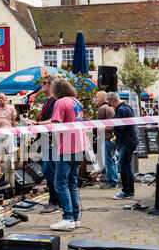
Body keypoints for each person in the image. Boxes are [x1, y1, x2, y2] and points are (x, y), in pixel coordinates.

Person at [49, 78, 86, 230]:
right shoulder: (77, 102)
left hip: (66, 147)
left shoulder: (60, 102)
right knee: (72, 183)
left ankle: (68, 217)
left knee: (60, 183)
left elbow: (56, 124)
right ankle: (75, 217)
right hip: (80, 146)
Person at [27, 75, 60, 213]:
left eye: (45, 83)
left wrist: (38, 123)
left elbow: (53, 120)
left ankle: (55, 202)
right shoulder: (47, 100)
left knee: (50, 171)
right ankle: (55, 201)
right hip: (46, 140)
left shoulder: (55, 101)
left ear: (52, 85)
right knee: (49, 171)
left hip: (54, 141)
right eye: (42, 83)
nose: (42, 85)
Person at [106, 92, 139, 200]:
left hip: (127, 141)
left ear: (113, 101)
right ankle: (130, 191)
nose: (111, 106)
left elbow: (121, 127)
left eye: (110, 104)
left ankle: (126, 192)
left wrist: (108, 128)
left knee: (122, 166)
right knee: (126, 166)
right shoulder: (126, 107)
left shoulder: (121, 110)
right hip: (129, 140)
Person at [0, 93, 17, 175]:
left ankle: (11, 167)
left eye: (1, 98)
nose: (0, 99)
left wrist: (14, 130)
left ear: (6, 99)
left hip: (8, 131)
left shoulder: (11, 108)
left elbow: (14, 120)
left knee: (10, 150)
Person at [95, 91, 117, 189]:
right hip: (113, 137)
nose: (95, 99)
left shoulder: (102, 108)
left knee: (108, 161)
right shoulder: (111, 108)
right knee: (112, 160)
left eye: (97, 97)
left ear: (102, 98)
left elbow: (97, 125)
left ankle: (112, 182)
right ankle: (114, 180)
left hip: (106, 138)